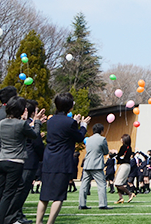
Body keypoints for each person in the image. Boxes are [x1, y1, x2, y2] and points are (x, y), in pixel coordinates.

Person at [36, 92, 89, 224]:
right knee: (58, 196)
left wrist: (74, 123)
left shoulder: (51, 120)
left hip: (49, 159)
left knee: (44, 195)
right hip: (62, 160)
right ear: (70, 107)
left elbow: (63, 131)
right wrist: (83, 126)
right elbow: (79, 137)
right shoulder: (70, 122)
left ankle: (38, 222)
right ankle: (50, 222)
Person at [0, 96, 44, 224]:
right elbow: (34, 135)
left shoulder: (2, 123)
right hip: (15, 162)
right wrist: (37, 122)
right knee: (8, 195)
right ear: (23, 111)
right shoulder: (22, 124)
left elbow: (14, 132)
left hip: (0, 160)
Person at [9, 99, 45, 224]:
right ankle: (15, 215)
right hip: (29, 161)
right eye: (35, 109)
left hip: (26, 160)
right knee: (22, 191)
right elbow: (36, 143)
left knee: (22, 190)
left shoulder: (28, 123)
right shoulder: (27, 123)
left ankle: (18, 213)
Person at [79, 123, 111, 210]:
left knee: (84, 185)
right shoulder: (102, 139)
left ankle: (82, 204)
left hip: (87, 164)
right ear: (101, 131)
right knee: (101, 184)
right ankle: (102, 204)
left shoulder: (88, 139)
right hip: (97, 165)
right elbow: (105, 151)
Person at [114, 134, 136, 204]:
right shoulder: (129, 147)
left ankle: (130, 193)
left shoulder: (124, 147)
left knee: (118, 183)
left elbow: (119, 156)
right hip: (126, 165)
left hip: (124, 165)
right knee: (119, 182)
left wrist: (114, 153)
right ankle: (120, 198)